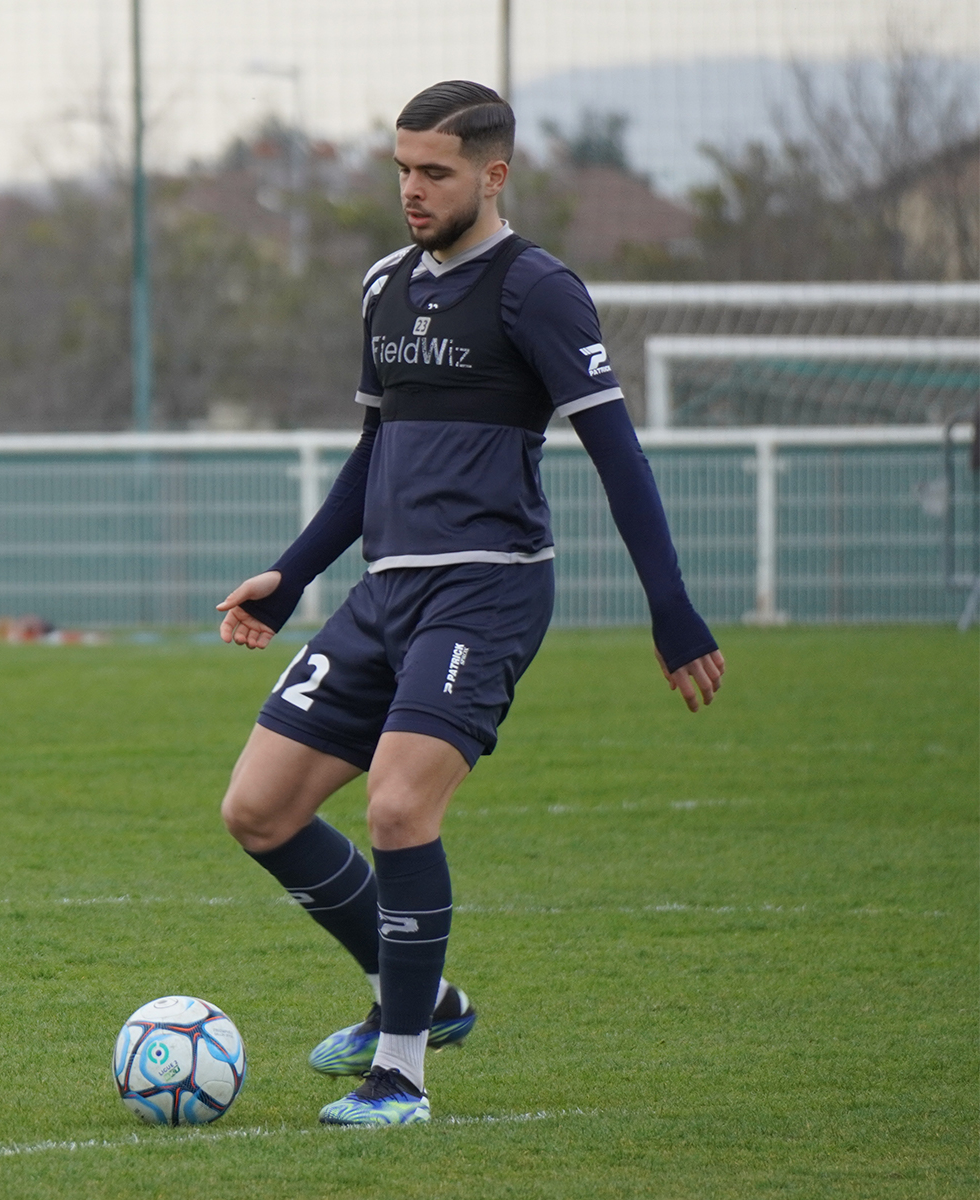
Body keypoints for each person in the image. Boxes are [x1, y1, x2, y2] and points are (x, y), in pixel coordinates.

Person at [214, 80, 726, 1127]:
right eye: (401, 167)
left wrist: (668, 611)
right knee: (258, 809)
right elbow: (375, 452)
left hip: (486, 592)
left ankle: (398, 1069)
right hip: (383, 592)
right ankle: (426, 998)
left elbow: (619, 460)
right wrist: (298, 569)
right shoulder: (382, 289)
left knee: (398, 806)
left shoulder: (537, 291)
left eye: (434, 171)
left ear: (493, 175)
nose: (411, 189)